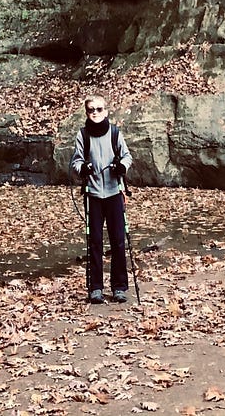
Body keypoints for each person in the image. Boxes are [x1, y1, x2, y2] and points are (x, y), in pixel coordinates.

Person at [69, 93, 132, 303]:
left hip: (114, 193)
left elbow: (127, 156)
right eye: (91, 110)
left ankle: (119, 287)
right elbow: (76, 161)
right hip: (93, 195)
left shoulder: (115, 133)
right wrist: (83, 168)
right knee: (94, 242)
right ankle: (95, 287)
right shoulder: (83, 135)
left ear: (105, 111)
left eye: (98, 109)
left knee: (118, 241)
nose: (95, 113)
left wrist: (121, 166)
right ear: (87, 112)